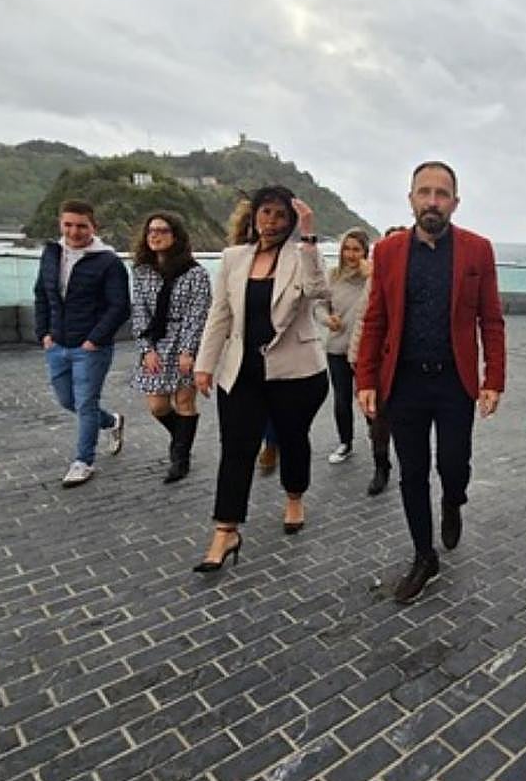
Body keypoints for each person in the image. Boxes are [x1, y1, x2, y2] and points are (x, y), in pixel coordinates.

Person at [356, 162, 506, 604]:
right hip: (404, 383)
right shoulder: (387, 251)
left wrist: (492, 377)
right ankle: (424, 555)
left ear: (455, 203)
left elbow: (491, 319)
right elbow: (376, 318)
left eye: (442, 193)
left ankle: (453, 499)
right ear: (411, 200)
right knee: (413, 473)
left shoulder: (478, 250)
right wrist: (366, 377)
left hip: (455, 382)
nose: (433, 201)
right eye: (425, 192)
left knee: (454, 466)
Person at [192, 186, 330, 572]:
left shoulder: (300, 255)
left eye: (280, 215)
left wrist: (308, 237)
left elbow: (320, 291)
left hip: (296, 372)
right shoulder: (234, 257)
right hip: (242, 372)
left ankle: (294, 496)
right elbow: (220, 315)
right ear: (253, 216)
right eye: (265, 212)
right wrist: (205, 364)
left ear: (291, 221)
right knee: (236, 449)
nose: (271, 221)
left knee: (292, 438)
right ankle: (225, 530)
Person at [33, 199, 131, 487]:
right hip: (57, 344)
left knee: (86, 403)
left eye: (81, 226)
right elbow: (41, 294)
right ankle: (112, 422)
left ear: (93, 227)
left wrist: (94, 339)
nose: (74, 232)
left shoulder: (108, 262)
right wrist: (44, 334)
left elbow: (119, 306)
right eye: (68, 225)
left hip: (90, 348)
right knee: (68, 400)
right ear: (60, 224)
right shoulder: (51, 254)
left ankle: (83, 461)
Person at [128, 211, 212, 483]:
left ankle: (180, 458)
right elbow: (139, 311)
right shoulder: (141, 271)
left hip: (185, 338)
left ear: (175, 236)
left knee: (184, 400)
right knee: (157, 405)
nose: (155, 235)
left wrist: (189, 351)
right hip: (156, 339)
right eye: (151, 230)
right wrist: (146, 349)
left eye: (163, 230)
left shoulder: (195, 273)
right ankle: (181, 437)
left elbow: (198, 313)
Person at [349, 225, 409, 495]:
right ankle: (381, 466)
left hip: (405, 364)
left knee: (406, 422)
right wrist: (358, 362)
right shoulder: (376, 281)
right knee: (376, 420)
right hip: (377, 363)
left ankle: (409, 467)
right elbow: (365, 322)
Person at [316, 228, 372, 464]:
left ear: (365, 252)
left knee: (368, 396)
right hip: (337, 348)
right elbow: (318, 306)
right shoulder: (332, 276)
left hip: (364, 350)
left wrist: (372, 276)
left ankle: (376, 437)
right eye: (347, 249)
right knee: (342, 398)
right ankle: (345, 442)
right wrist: (328, 320)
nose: (351, 254)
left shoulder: (372, 279)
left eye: (356, 249)